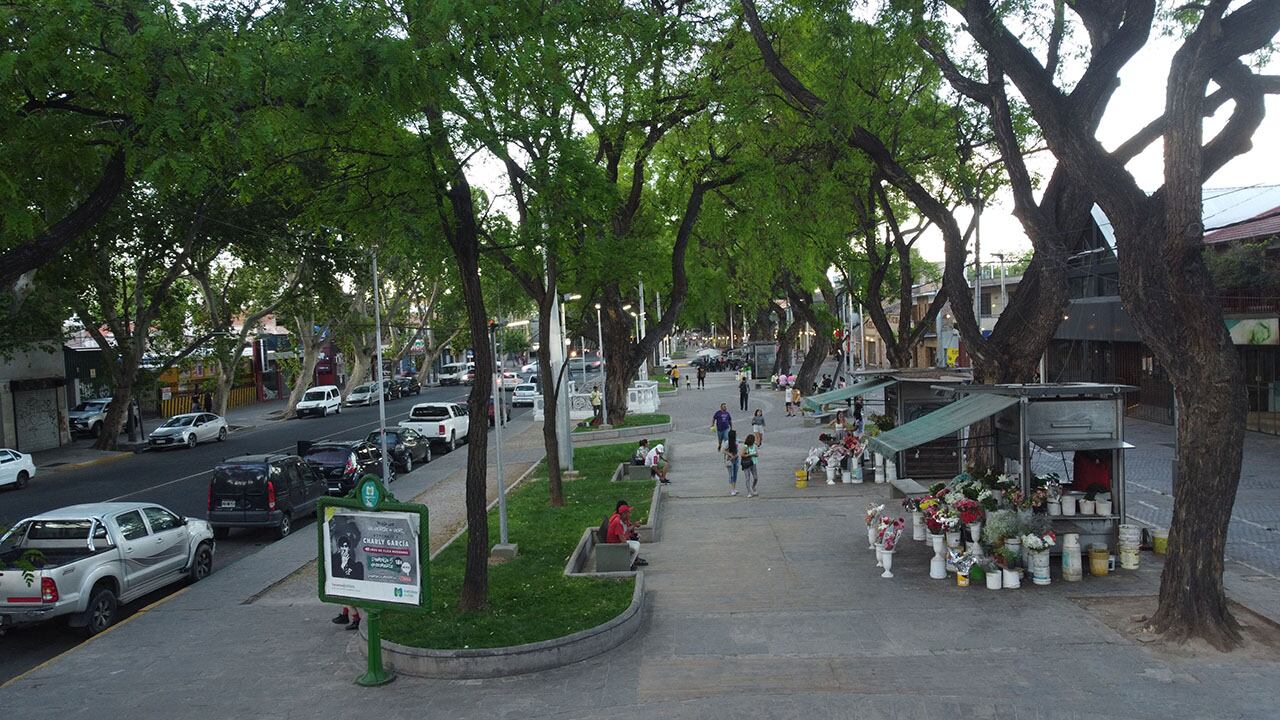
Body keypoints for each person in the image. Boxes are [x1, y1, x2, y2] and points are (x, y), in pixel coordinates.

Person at [605, 503, 648, 567]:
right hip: (615, 545)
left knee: (636, 543)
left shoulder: (621, 519)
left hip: (618, 542)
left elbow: (625, 531)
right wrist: (629, 549)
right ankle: (629, 565)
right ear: (624, 514)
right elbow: (623, 540)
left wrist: (633, 526)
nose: (630, 514)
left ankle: (632, 562)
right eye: (629, 513)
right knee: (635, 547)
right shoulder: (618, 522)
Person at [722, 429, 740, 495]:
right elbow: (723, 450)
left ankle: (734, 488)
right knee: (731, 475)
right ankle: (732, 489)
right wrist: (730, 455)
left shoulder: (736, 441)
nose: (737, 435)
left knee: (735, 474)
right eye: (735, 434)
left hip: (736, 459)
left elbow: (742, 441)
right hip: (729, 460)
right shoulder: (727, 442)